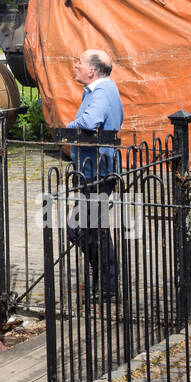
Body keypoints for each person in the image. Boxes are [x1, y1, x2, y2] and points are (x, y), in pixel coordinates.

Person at [67, 48, 124, 297]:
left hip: (96, 173)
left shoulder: (100, 91)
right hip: (97, 171)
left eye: (79, 62)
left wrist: (67, 128)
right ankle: (105, 281)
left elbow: (90, 123)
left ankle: (105, 278)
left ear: (91, 71)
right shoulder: (104, 88)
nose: (75, 66)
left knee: (79, 228)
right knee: (93, 228)